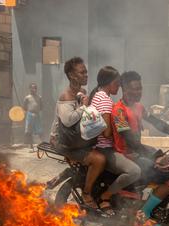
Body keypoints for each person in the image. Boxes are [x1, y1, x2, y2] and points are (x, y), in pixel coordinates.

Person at [112, 71, 169, 222]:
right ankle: (144, 214)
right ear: (125, 89)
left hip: (138, 153)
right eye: (135, 88)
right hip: (127, 155)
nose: (139, 92)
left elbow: (159, 124)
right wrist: (155, 155)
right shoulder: (118, 111)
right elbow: (130, 141)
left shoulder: (139, 107)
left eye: (140, 88)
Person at [49, 57, 106, 213]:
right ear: (72, 75)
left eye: (86, 71)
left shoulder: (81, 93)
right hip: (65, 142)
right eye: (82, 72)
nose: (86, 75)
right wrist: (85, 106)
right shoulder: (66, 96)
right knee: (99, 160)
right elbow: (67, 121)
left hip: (77, 140)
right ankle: (87, 194)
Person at [88, 66, 141, 216]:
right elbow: (106, 133)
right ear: (109, 83)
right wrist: (116, 129)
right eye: (117, 83)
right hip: (104, 148)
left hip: (100, 146)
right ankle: (106, 195)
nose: (119, 86)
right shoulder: (105, 100)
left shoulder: (98, 95)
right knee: (134, 171)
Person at [23, 82, 43, 151]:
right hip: (29, 115)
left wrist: (36, 112)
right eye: (32, 88)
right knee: (29, 131)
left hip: (37, 115)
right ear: (30, 89)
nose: (33, 89)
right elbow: (24, 107)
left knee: (39, 130)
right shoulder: (27, 98)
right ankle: (31, 146)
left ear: (36, 89)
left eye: (35, 88)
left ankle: (41, 146)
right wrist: (28, 112)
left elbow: (41, 107)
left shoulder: (39, 97)